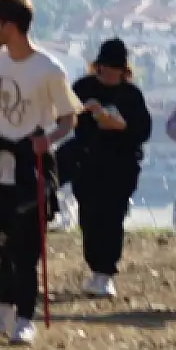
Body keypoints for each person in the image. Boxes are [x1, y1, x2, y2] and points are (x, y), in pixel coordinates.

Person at [0, 0, 79, 346]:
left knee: (26, 243)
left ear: (10, 27)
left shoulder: (49, 68)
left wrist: (48, 140)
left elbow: (68, 118)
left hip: (30, 160)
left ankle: (25, 316)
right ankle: (4, 304)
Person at [67, 38, 151, 298]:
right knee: (89, 217)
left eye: (114, 68)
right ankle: (95, 267)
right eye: (104, 66)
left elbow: (143, 130)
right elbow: (66, 118)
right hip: (87, 164)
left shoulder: (132, 95)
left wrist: (121, 126)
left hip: (120, 166)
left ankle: (106, 273)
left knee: (112, 217)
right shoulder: (82, 87)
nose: (109, 72)